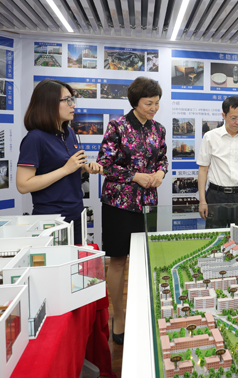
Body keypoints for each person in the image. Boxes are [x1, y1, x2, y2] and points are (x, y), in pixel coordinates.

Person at [97, 77, 168, 345]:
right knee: (118, 260)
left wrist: (160, 173)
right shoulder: (117, 126)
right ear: (135, 102)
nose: (154, 108)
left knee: (144, 261)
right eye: (149, 103)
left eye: (157, 103)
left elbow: (163, 159)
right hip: (119, 203)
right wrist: (134, 175)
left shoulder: (158, 129)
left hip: (147, 203)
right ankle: (119, 316)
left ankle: (141, 312)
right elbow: (104, 163)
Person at [16, 78, 102, 245]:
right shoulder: (35, 138)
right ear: (48, 103)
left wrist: (84, 168)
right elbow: (23, 185)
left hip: (76, 214)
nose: (73, 105)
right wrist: (66, 169)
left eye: (72, 100)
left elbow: (67, 169)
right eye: (67, 100)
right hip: (51, 219)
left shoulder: (69, 133)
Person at [197, 96, 238, 228]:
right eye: (233, 118)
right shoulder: (210, 137)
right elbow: (203, 169)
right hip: (216, 196)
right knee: (215, 235)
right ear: (224, 115)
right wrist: (202, 200)